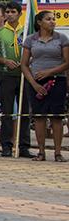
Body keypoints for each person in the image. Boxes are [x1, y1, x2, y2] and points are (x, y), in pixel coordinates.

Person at [20, 10, 69, 162]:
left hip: (57, 81)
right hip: (36, 82)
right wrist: (33, 84)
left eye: (53, 19)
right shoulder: (31, 39)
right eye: (48, 19)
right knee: (39, 117)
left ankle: (58, 152)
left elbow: (67, 63)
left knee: (57, 117)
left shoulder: (62, 38)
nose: (52, 21)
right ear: (39, 22)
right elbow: (24, 64)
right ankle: (41, 152)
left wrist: (49, 72)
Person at [0, 1, 33, 158]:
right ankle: (6, 145)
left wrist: (27, 62)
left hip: (24, 75)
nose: (9, 14)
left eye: (13, 12)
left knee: (25, 111)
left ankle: (24, 146)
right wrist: (4, 61)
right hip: (6, 74)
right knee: (7, 111)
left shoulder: (27, 31)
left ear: (19, 14)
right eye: (7, 12)